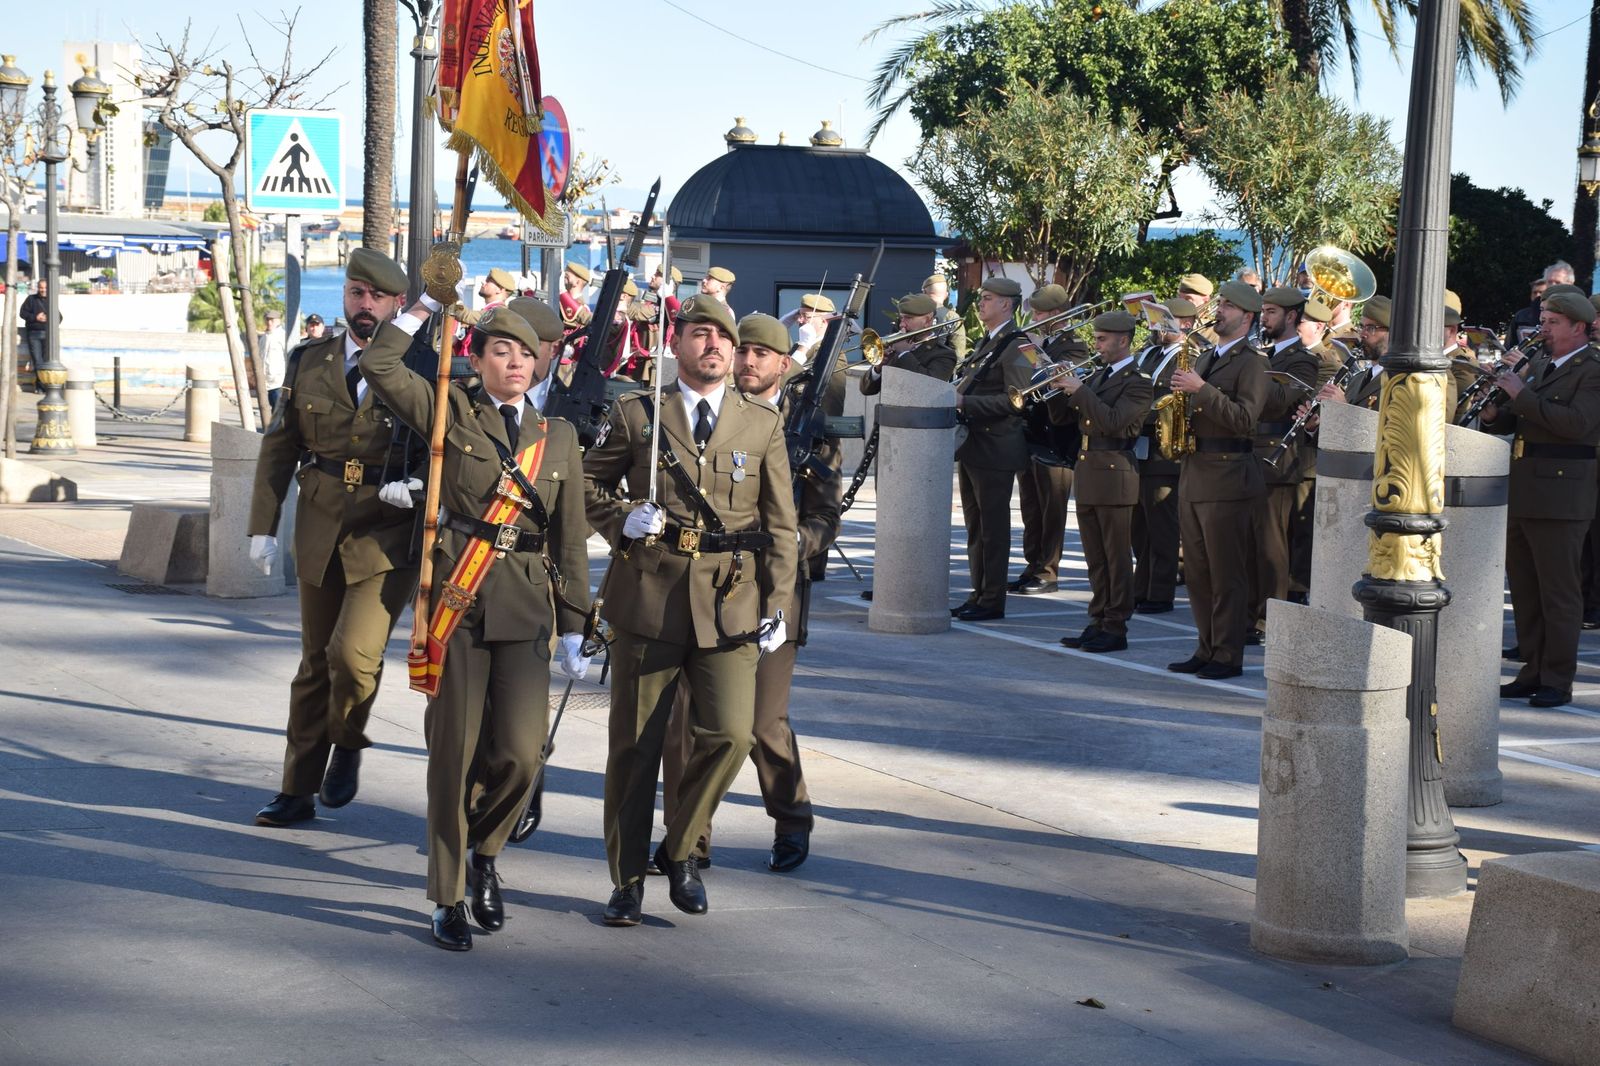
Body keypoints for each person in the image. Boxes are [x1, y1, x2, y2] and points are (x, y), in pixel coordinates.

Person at [359, 295, 593, 951]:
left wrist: (575, 621)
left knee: (520, 755)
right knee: (453, 758)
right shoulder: (449, 409)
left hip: (524, 605)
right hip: (457, 604)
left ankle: (485, 849)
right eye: (500, 350)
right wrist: (424, 304)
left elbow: (570, 538)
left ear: (540, 363)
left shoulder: (559, 438)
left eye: (525, 353)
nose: (514, 362)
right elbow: (381, 362)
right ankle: (448, 893)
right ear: (478, 357)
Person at [583, 295, 798, 926]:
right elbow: (587, 485)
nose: (712, 347)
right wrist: (623, 518)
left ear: (734, 354)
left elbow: (781, 525)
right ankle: (625, 882)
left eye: (723, 340)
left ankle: (681, 848)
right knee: (634, 750)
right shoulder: (637, 414)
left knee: (732, 734)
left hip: (730, 603)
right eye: (700, 336)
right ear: (676, 345)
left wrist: (778, 602)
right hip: (649, 598)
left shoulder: (761, 424)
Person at [246, 248, 422, 828]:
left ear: (398, 304)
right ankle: (296, 790)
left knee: (353, 656)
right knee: (315, 664)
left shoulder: (424, 366)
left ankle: (347, 741)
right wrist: (261, 526)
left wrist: (417, 486)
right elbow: (280, 446)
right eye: (355, 293)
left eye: (376, 297)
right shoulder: (310, 360)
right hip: (321, 524)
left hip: (386, 531)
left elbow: (448, 447)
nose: (364, 305)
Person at [661, 313, 840, 873]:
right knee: (689, 723)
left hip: (771, 593)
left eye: (762, 355)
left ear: (784, 365)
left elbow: (823, 518)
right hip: (708, 586)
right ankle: (690, 840)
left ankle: (791, 818)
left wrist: (778, 544)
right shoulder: (713, 415)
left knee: (763, 722)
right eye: (744, 352)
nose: (748, 362)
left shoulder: (811, 430)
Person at [1482, 291, 1600, 709]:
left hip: (1563, 496)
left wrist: (1521, 395)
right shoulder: (1545, 365)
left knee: (1558, 593)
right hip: (1527, 489)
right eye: (1542, 320)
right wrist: (1495, 413)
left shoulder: (1592, 371)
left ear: (1578, 327)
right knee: (1527, 591)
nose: (1541, 329)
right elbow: (1525, 418)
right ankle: (1531, 669)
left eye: (1551, 322)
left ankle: (1557, 678)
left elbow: (1578, 424)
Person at [1166, 279, 1268, 680]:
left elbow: (1246, 421)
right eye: (1220, 303)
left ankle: (1227, 654)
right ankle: (1206, 646)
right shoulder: (1206, 355)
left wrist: (1202, 390)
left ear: (1247, 317)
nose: (1219, 310)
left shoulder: (1252, 362)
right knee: (1198, 571)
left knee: (1226, 573)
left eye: (1228, 305)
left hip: (1228, 477)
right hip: (1195, 473)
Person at [1049, 310, 1152, 652]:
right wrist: (1059, 390)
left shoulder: (1138, 381)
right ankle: (1098, 618)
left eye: (1102, 339)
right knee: (1096, 556)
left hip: (1115, 472)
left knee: (1116, 557)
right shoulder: (1098, 376)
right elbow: (1066, 419)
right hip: (1090, 470)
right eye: (1096, 338)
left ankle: (1116, 625)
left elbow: (1113, 422)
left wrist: (1079, 390)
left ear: (1123, 341)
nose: (1097, 345)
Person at [952, 276, 1036, 621]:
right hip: (976, 445)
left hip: (996, 447)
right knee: (976, 527)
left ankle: (992, 599)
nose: (980, 304)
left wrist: (966, 401)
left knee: (993, 529)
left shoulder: (1017, 344)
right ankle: (979, 592)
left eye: (987, 299)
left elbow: (1017, 401)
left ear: (1006, 304)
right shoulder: (989, 341)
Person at [1248, 288, 1322, 643]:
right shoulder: (1263, 355)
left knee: (1272, 545)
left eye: (1272, 312)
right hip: (1250, 455)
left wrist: (1251, 370)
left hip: (1280, 459)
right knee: (1250, 543)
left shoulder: (1302, 360)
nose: (1264, 317)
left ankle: (1270, 618)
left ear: (1292, 316)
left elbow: (1277, 402)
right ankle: (1250, 613)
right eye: (1263, 311)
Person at [1011, 284, 1084, 595]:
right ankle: (1032, 564)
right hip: (1032, 432)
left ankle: (1048, 570)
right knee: (1030, 505)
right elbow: (1018, 378)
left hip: (1058, 438)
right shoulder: (1036, 341)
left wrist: (1039, 353)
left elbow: (1057, 382)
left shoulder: (1074, 346)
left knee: (1052, 507)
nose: (1034, 317)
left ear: (1056, 315)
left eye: (1039, 313)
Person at [1131, 296, 1197, 615]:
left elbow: (1175, 401)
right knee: (1140, 526)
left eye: (1163, 321)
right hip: (1140, 448)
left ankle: (1159, 591)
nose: (1155, 326)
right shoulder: (1150, 352)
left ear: (1184, 324)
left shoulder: (1188, 356)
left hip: (1164, 452)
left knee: (1162, 526)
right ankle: (1141, 585)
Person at [857, 293, 957, 393]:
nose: (902, 324)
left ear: (927, 320)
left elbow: (930, 389)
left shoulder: (944, 354)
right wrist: (878, 368)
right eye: (901, 318)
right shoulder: (895, 349)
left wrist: (904, 354)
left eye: (909, 318)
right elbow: (866, 390)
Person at [924, 273, 968, 360]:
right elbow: (958, 354)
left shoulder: (913, 313)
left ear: (924, 292)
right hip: (940, 369)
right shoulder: (952, 317)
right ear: (946, 295)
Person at [19, 279, 51, 373]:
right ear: (38, 288)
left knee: (46, 362)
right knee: (38, 362)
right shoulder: (31, 299)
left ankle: (41, 386)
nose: (43, 290)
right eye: (41, 287)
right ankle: (40, 387)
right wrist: (35, 318)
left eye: (45, 287)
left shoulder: (51, 300)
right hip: (34, 334)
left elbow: (59, 317)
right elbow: (22, 313)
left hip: (48, 334)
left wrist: (48, 318)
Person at [259, 309, 288, 411]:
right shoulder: (263, 338)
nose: (269, 322)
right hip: (265, 382)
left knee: (278, 412)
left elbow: (288, 356)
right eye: (267, 320)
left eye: (272, 320)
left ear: (279, 321)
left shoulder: (283, 336)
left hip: (278, 382)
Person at [559, 263, 593, 335]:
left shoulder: (583, 308)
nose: (564, 277)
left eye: (567, 276)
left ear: (577, 282)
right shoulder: (561, 300)